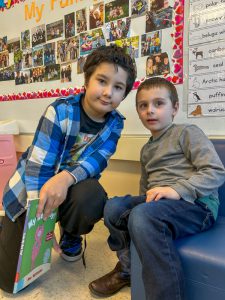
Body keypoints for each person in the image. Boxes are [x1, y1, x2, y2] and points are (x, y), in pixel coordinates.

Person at [0, 44, 136, 294]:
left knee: (93, 195)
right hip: (30, 191)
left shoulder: (115, 125)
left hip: (70, 190)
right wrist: (39, 224)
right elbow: (38, 167)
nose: (108, 93)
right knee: (10, 284)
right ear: (86, 80)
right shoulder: (60, 111)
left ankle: (71, 232)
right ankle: (6, 226)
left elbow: (96, 162)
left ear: (124, 94)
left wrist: (65, 178)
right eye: (102, 81)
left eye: (118, 87)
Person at [88, 77, 225, 299]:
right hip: (159, 205)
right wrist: (142, 201)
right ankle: (127, 269)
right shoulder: (146, 149)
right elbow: (146, 188)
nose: (150, 110)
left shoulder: (187, 132)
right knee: (113, 207)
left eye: (158, 104)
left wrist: (178, 190)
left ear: (175, 108)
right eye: (143, 106)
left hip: (197, 206)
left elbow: (216, 172)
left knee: (143, 216)